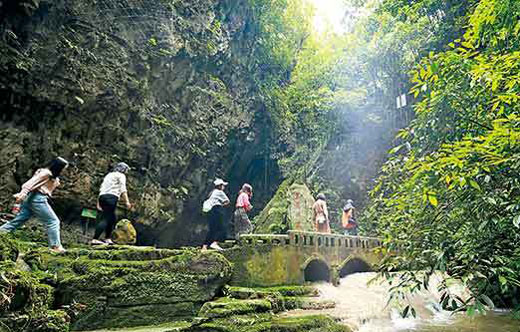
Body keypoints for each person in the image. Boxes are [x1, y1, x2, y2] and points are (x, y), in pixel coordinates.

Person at [0, 157, 69, 253]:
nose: (65, 170)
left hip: (32, 198)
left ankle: (1, 232)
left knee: (18, 221)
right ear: (59, 167)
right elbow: (30, 183)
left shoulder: (51, 175)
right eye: (64, 168)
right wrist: (23, 193)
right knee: (53, 221)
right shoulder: (46, 173)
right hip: (37, 199)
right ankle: (55, 246)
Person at [91, 162, 132, 245]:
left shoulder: (109, 175)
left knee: (112, 218)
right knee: (106, 218)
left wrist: (98, 201)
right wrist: (127, 202)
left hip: (103, 197)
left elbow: (102, 188)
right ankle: (95, 239)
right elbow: (123, 189)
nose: (126, 172)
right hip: (111, 197)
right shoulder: (121, 175)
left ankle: (107, 238)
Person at [202, 178, 230, 251]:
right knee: (222, 228)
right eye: (223, 185)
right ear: (220, 186)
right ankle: (215, 243)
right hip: (217, 210)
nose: (224, 187)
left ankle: (204, 247)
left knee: (212, 229)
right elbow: (227, 201)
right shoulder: (219, 192)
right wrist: (221, 204)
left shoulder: (211, 192)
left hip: (210, 211)